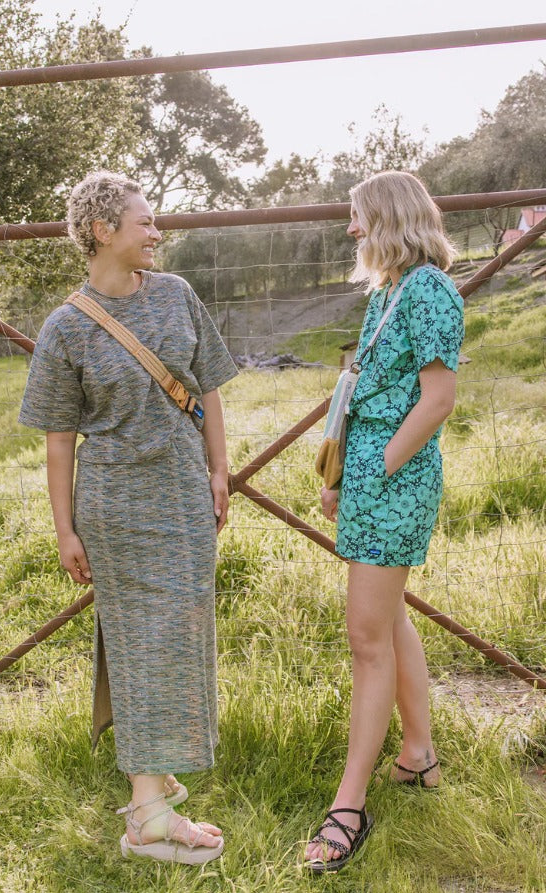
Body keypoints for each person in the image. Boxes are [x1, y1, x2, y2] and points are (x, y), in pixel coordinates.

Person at [19, 171, 238, 865]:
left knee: (181, 627)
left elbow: (207, 388)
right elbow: (59, 440)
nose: (156, 231)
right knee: (143, 635)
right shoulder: (65, 328)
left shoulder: (176, 295)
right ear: (102, 230)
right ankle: (148, 814)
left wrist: (219, 468)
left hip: (183, 491)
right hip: (114, 505)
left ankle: (155, 767)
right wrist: (65, 528)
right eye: (144, 221)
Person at [305, 171, 464, 873]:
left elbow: (438, 398)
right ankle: (418, 754)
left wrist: (379, 469)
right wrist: (344, 476)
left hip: (395, 482)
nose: (351, 229)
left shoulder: (429, 290)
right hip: (371, 478)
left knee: (366, 639)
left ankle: (349, 805)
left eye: (358, 216)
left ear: (390, 218)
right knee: (389, 617)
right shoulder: (388, 291)